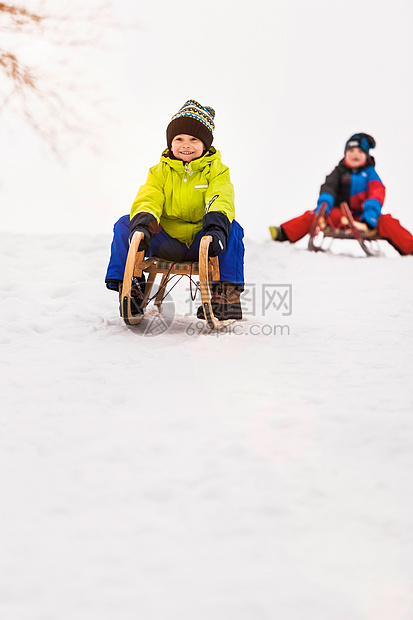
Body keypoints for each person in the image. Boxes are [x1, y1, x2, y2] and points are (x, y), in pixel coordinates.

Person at [105, 99, 245, 319]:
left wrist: (216, 228)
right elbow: (149, 197)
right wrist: (144, 224)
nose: (185, 144)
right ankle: (132, 288)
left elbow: (220, 198)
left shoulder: (216, 171)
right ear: (171, 143)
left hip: (204, 241)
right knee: (125, 223)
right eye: (179, 139)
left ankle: (225, 294)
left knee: (233, 228)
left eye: (193, 139)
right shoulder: (160, 172)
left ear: (205, 144)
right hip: (167, 241)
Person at [269, 133, 413, 255]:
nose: (355, 154)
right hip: (342, 216)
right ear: (345, 154)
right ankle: (284, 233)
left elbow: (377, 192)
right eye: (351, 151)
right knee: (313, 216)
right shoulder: (339, 172)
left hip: (365, 218)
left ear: (367, 156)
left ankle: (410, 247)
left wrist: (370, 214)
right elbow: (329, 187)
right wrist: (324, 206)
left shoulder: (370, 174)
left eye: (360, 152)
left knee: (389, 223)